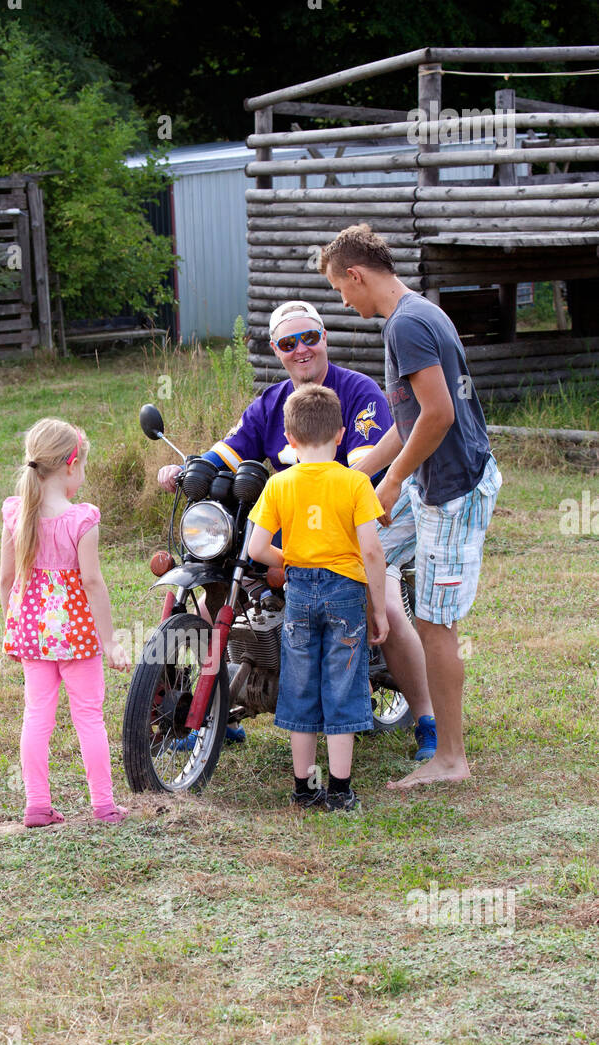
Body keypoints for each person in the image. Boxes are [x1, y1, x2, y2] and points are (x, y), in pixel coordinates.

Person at [158, 300, 436, 760]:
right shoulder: (270, 403)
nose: (302, 349)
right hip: (292, 528)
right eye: (290, 343)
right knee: (219, 592)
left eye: (310, 337)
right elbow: (229, 450)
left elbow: (365, 469)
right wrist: (185, 469)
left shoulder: (360, 392)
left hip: (362, 516)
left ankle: (427, 719)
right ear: (276, 350)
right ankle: (211, 708)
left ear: (324, 338)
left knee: (382, 598)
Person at [320, 223, 502, 791]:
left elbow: (440, 414)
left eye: (339, 289)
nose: (343, 302)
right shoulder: (414, 315)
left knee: (435, 622)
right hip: (428, 481)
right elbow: (412, 420)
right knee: (355, 546)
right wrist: (359, 468)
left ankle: (450, 757)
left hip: (453, 489)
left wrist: (393, 480)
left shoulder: (409, 325)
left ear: (356, 274)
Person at [247, 383, 388, 812]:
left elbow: (256, 550)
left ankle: (303, 790)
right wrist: (378, 608)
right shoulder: (355, 483)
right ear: (342, 434)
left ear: (289, 440)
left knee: (300, 685)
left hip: (300, 592)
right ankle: (341, 791)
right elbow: (372, 551)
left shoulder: (278, 485)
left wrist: (288, 559)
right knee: (343, 684)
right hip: (346, 592)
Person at [0, 418, 132, 827]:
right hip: (77, 636)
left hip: (34, 636)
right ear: (71, 465)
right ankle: (103, 805)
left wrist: (14, 626)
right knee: (88, 716)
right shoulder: (81, 519)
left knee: (36, 715)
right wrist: (110, 642)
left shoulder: (16, 513)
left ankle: (36, 805)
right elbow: (91, 581)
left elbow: (6, 580)